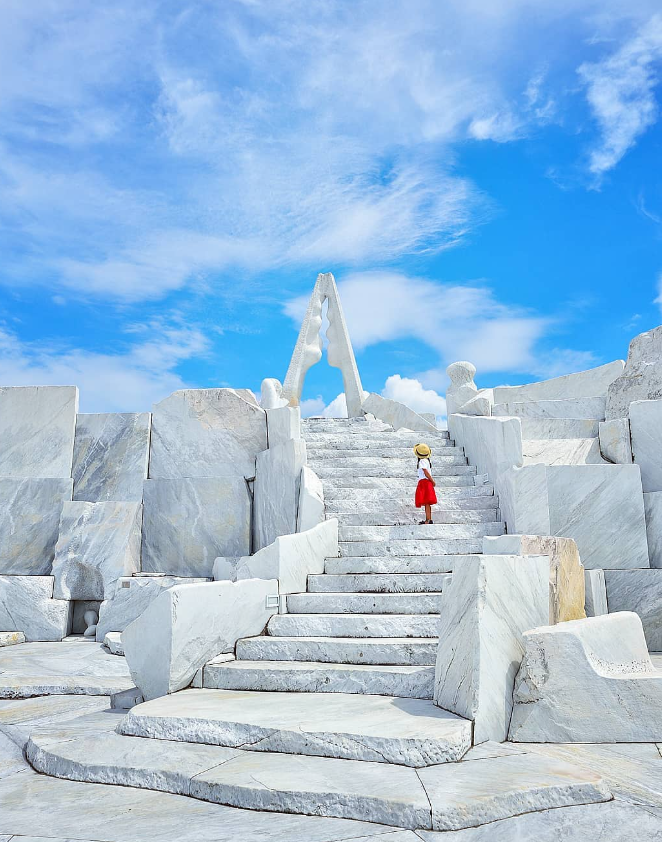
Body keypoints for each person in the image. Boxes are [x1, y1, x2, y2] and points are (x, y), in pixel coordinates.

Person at [414, 443, 437, 524]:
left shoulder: (422, 461)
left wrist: (432, 480)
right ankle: (428, 519)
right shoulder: (426, 460)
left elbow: (425, 471)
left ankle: (428, 519)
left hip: (424, 482)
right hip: (426, 482)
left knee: (426, 501)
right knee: (427, 503)